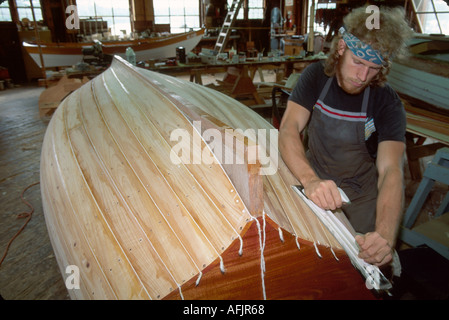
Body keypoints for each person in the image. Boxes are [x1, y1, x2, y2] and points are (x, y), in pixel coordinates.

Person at [279, 6, 412, 267]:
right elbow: (289, 129)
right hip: (314, 182)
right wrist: (310, 180)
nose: (363, 77)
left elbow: (390, 171)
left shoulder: (387, 102)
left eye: (374, 68)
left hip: (360, 199)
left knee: (359, 269)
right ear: (341, 48)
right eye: (358, 62)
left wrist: (385, 235)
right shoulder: (317, 77)